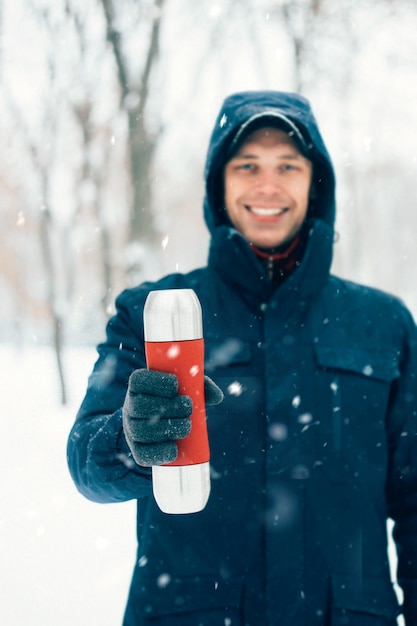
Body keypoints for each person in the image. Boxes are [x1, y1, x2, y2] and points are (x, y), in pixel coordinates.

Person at [67, 90, 417, 626]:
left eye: (288, 165)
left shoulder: (384, 323)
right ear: (220, 184)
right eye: (247, 164)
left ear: (314, 182)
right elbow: (87, 462)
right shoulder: (154, 312)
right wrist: (132, 439)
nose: (267, 184)